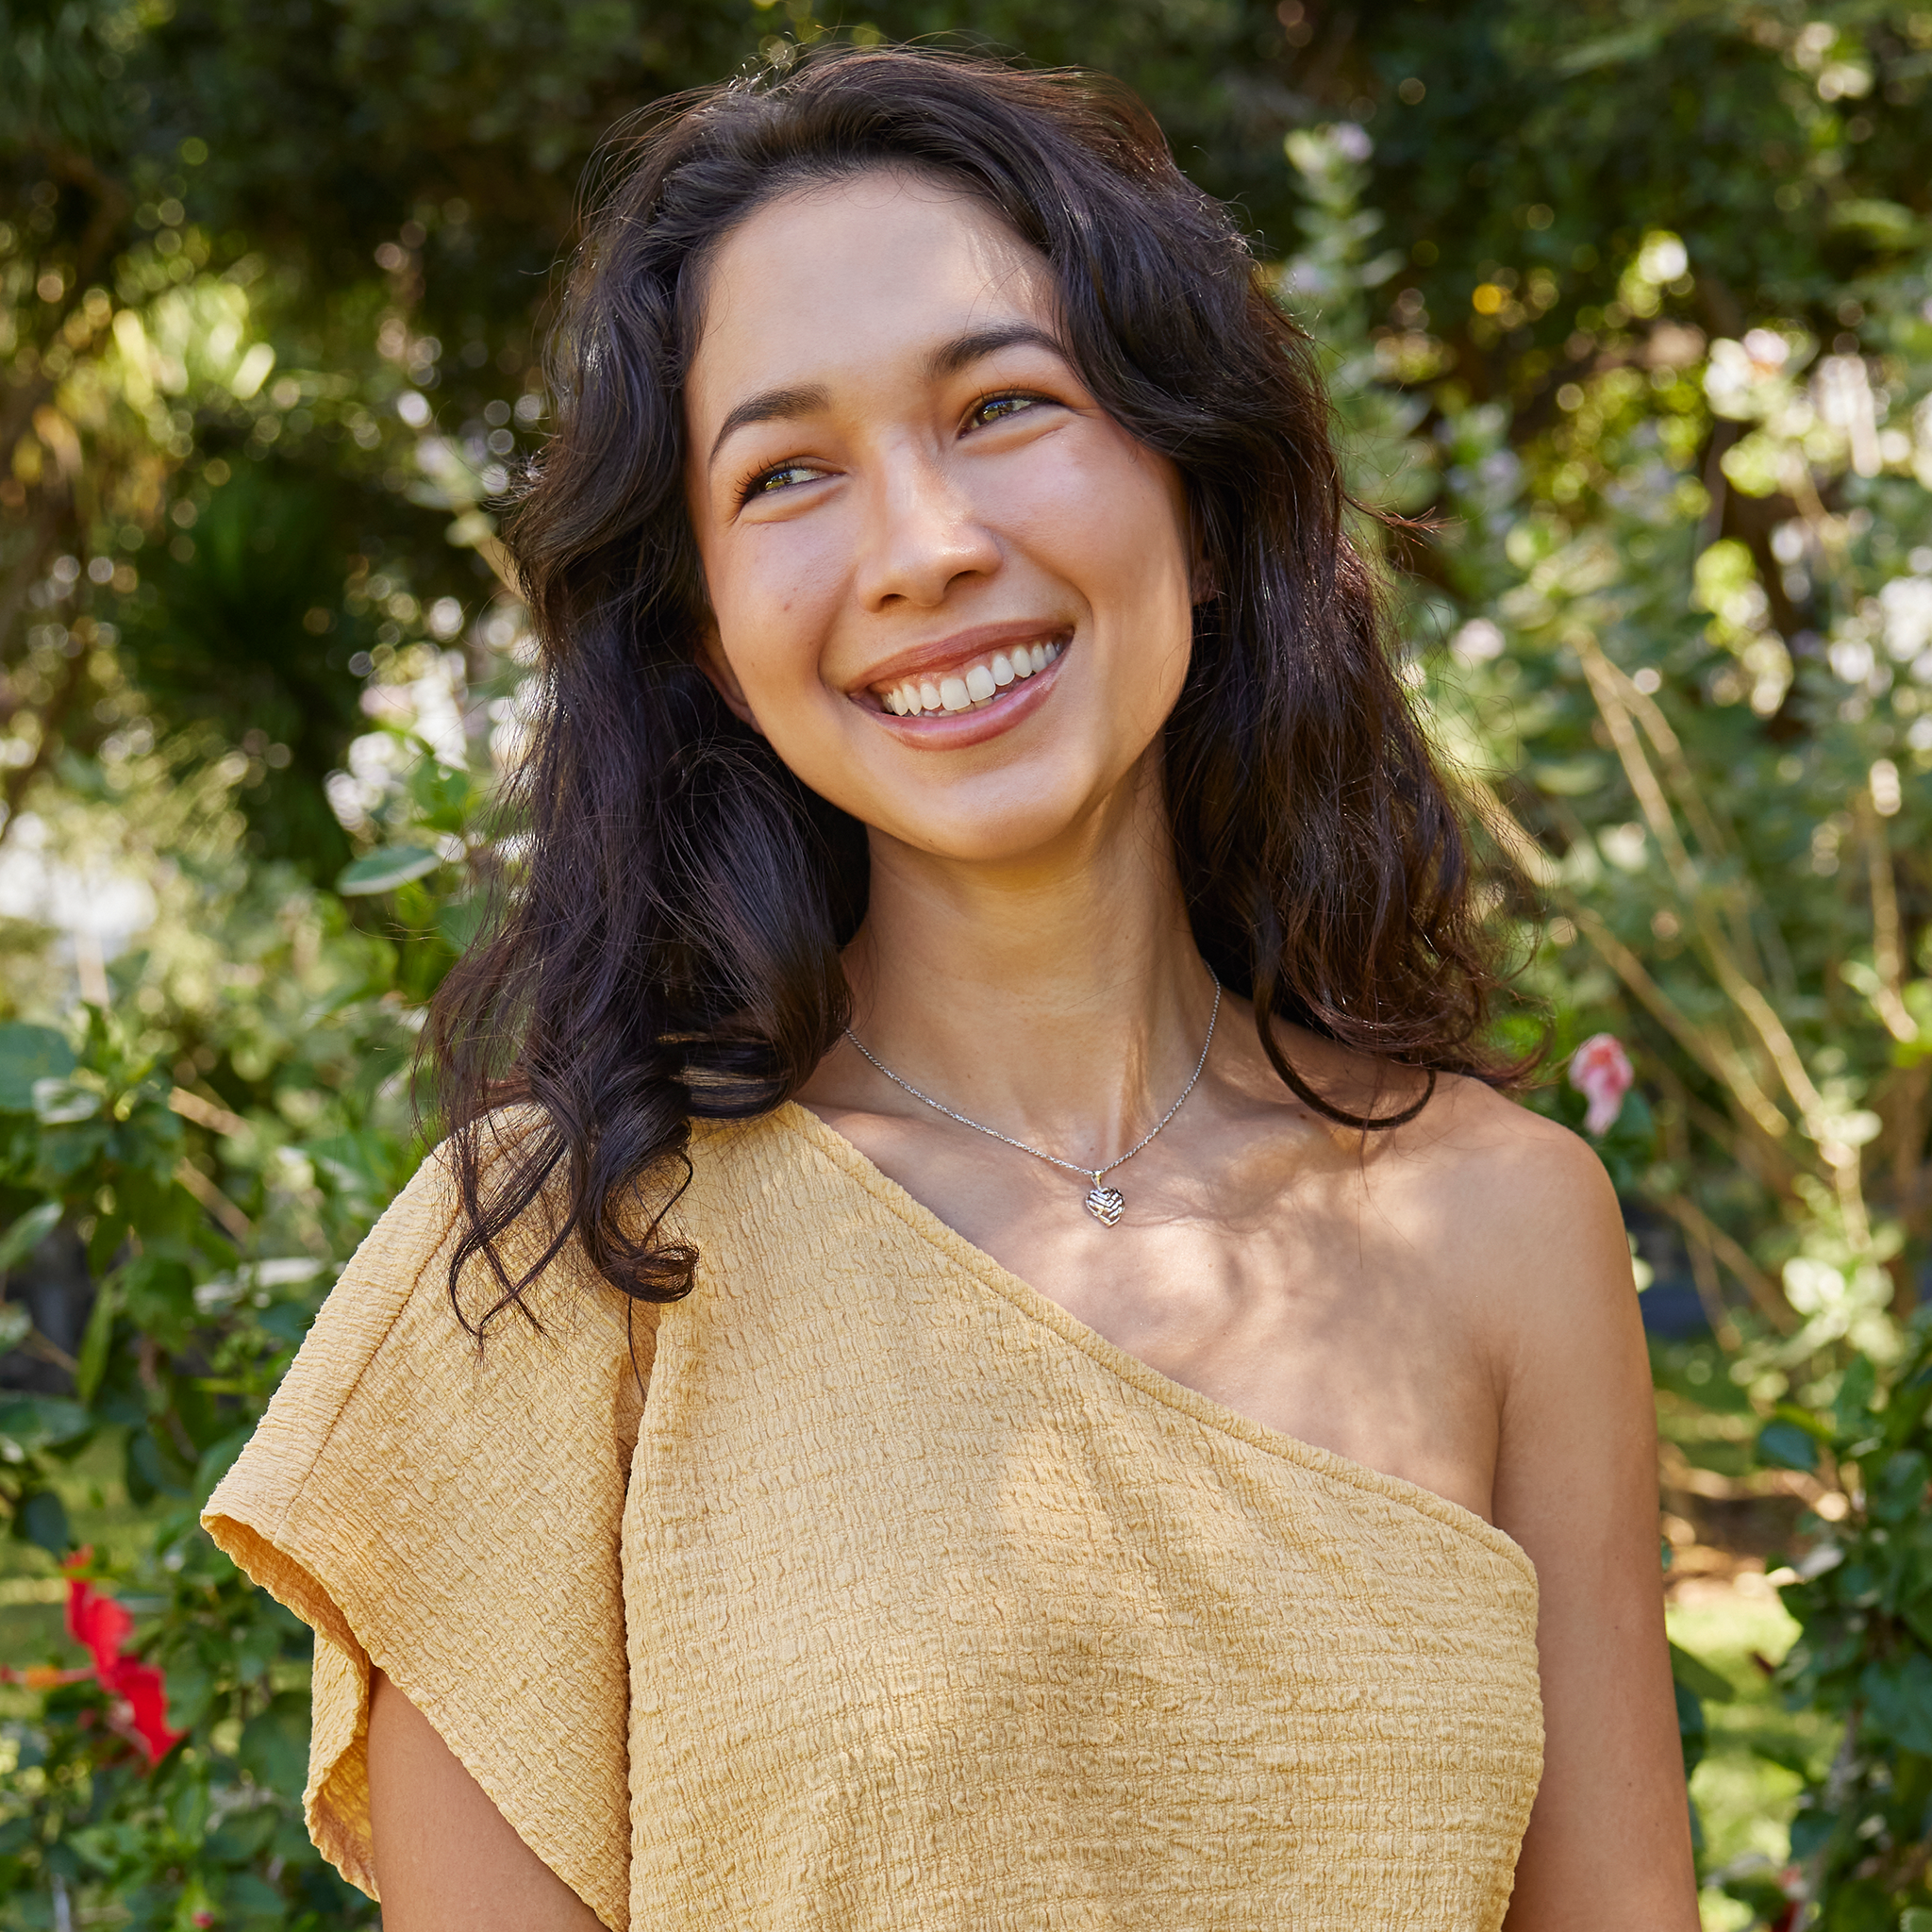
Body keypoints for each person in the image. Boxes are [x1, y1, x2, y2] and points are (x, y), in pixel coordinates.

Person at [204, 46, 1699, 1932]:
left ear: (1201, 494)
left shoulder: (1501, 1225)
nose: (923, 548)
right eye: (788, 473)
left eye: (1001, 406)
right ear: (715, 642)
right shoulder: (554, 1259)